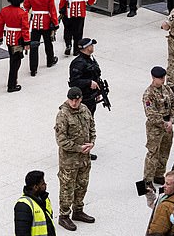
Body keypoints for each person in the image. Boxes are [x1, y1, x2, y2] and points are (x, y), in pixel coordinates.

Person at [55, 87, 96, 231]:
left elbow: (92, 126)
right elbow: (61, 140)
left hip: (84, 158)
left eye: (76, 100)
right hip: (69, 160)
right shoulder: (63, 115)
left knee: (82, 184)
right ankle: (64, 216)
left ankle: (78, 210)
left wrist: (92, 142)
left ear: (81, 99)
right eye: (71, 100)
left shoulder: (84, 109)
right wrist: (79, 148)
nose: (74, 103)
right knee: (67, 187)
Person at [68, 38, 103, 161]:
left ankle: (85, 148)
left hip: (91, 97)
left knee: (88, 123)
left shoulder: (90, 59)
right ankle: (81, 150)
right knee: (82, 126)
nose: (93, 47)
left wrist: (97, 91)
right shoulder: (78, 63)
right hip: (84, 99)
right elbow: (74, 82)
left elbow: (96, 75)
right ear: (87, 48)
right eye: (91, 45)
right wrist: (89, 83)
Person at [143, 66, 174, 186]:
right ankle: (147, 180)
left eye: (163, 77)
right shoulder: (148, 94)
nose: (163, 80)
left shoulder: (167, 89)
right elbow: (151, 114)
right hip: (155, 128)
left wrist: (171, 121)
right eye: (160, 78)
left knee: (164, 151)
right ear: (153, 78)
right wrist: (164, 124)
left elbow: (173, 106)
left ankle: (159, 175)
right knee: (153, 153)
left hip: (168, 126)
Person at [24, 0, 58, 76]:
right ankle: (50, 60)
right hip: (46, 22)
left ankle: (33, 68)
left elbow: (26, 7)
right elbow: (52, 11)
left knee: (34, 45)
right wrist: (55, 23)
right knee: (48, 43)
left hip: (35, 23)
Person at [0, 0, 30, 92]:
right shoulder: (22, 13)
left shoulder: (4, 11)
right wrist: (27, 42)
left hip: (9, 39)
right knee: (15, 63)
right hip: (19, 40)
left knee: (13, 60)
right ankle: (12, 84)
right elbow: (25, 29)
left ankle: (12, 81)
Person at [14, 170, 56, 236]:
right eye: (43, 184)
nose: (45, 185)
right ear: (35, 187)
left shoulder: (44, 198)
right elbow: (22, 233)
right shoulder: (23, 206)